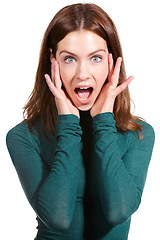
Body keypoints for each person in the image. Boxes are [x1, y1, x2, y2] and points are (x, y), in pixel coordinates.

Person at [6, 3, 155, 240]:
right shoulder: (23, 137)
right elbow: (57, 218)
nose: (82, 74)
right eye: (69, 59)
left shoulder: (139, 134)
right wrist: (68, 122)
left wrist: (104, 121)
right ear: (52, 61)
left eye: (95, 58)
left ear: (112, 63)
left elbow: (119, 212)